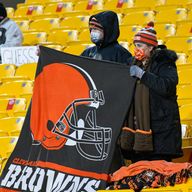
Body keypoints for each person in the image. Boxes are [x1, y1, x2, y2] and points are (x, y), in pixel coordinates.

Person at [120, 22, 183, 163]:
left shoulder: (164, 61)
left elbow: (167, 86)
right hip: (138, 132)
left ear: (151, 47)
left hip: (161, 130)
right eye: (135, 45)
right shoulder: (131, 63)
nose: (136, 49)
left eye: (140, 45)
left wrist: (144, 75)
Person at [81, 10, 132, 173]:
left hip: (112, 111)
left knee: (110, 148)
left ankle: (115, 178)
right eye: (91, 29)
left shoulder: (122, 54)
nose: (93, 32)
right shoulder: (88, 53)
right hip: (91, 110)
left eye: (97, 28)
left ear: (108, 29)